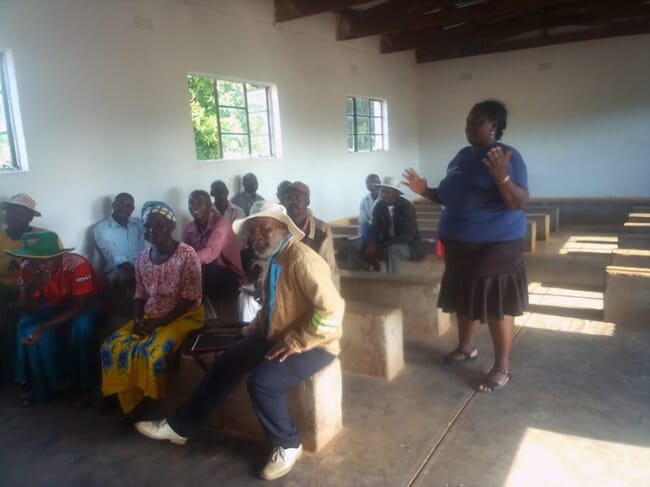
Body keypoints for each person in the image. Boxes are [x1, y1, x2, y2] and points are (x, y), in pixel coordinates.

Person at [134, 201, 344, 481]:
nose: (256, 236)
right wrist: (254, 327)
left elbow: (332, 311)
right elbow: (273, 303)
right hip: (276, 334)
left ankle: (288, 443)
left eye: (264, 229)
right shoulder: (275, 258)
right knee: (226, 361)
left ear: (282, 229)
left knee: (263, 382)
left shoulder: (303, 260)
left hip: (316, 343)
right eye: (253, 230)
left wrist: (298, 341)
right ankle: (181, 426)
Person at [402, 99, 529, 393]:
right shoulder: (460, 157)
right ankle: (466, 347)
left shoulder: (508, 156)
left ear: (493, 126)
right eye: (467, 122)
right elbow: (448, 196)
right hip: (460, 246)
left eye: (476, 122)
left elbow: (518, 202)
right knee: (463, 297)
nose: (469, 127)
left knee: (497, 303)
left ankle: (502, 367)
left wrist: (503, 177)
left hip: (496, 245)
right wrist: (425, 191)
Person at [101, 202, 204, 416]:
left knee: (150, 351)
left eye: (159, 225)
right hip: (150, 315)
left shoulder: (187, 255)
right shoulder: (142, 258)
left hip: (184, 316)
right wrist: (138, 319)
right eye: (148, 226)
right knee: (112, 346)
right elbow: (140, 293)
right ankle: (123, 394)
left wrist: (158, 323)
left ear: (171, 226)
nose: (152, 231)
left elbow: (189, 298)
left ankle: (148, 403)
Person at [9, 231, 106, 406]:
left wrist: (44, 326)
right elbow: (30, 311)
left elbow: (79, 307)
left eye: (44, 260)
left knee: (81, 324)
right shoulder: (27, 268)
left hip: (87, 304)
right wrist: (32, 289)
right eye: (32, 260)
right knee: (27, 326)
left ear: (59, 256)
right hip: (54, 305)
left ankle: (85, 386)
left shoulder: (77, 265)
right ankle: (41, 385)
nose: (38, 266)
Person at [0, 194, 50, 387]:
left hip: (36, 291)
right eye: (10, 213)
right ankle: (12, 373)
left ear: (30, 218)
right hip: (5, 292)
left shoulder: (44, 237)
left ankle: (21, 376)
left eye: (20, 214)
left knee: (18, 319)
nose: (13, 218)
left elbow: (55, 269)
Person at [183, 190, 244, 323]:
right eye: (191, 203)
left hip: (228, 273)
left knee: (206, 270)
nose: (194, 206)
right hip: (204, 271)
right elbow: (186, 253)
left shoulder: (222, 223)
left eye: (199, 203)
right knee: (185, 275)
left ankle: (218, 318)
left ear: (210, 205)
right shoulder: (189, 228)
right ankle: (197, 313)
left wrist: (181, 262)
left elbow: (211, 253)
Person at [93, 193, 145, 313]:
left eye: (128, 206)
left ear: (132, 209)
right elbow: (115, 256)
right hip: (118, 272)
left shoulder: (137, 224)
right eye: (120, 204)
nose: (123, 209)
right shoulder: (102, 228)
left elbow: (148, 247)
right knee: (132, 279)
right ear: (113, 205)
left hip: (141, 268)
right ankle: (134, 318)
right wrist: (141, 274)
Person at [363, 176, 427, 274]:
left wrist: (381, 245)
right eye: (383, 191)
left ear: (396, 193)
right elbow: (374, 228)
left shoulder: (407, 207)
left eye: (387, 192)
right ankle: (365, 279)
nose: (384, 195)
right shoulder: (380, 206)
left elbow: (408, 236)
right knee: (362, 246)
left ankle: (393, 281)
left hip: (409, 245)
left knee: (392, 250)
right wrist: (371, 243)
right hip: (387, 243)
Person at [280, 181, 337, 276]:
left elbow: (328, 268)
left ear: (307, 202)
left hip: (312, 283)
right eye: (288, 198)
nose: (292, 202)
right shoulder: (278, 227)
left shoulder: (322, 230)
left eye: (298, 198)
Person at [358, 174, 381, 239]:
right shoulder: (364, 200)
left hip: (385, 229)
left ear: (379, 183)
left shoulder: (386, 197)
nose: (369, 184)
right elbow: (362, 221)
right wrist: (360, 235)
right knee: (366, 226)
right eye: (367, 182)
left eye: (372, 181)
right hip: (371, 229)